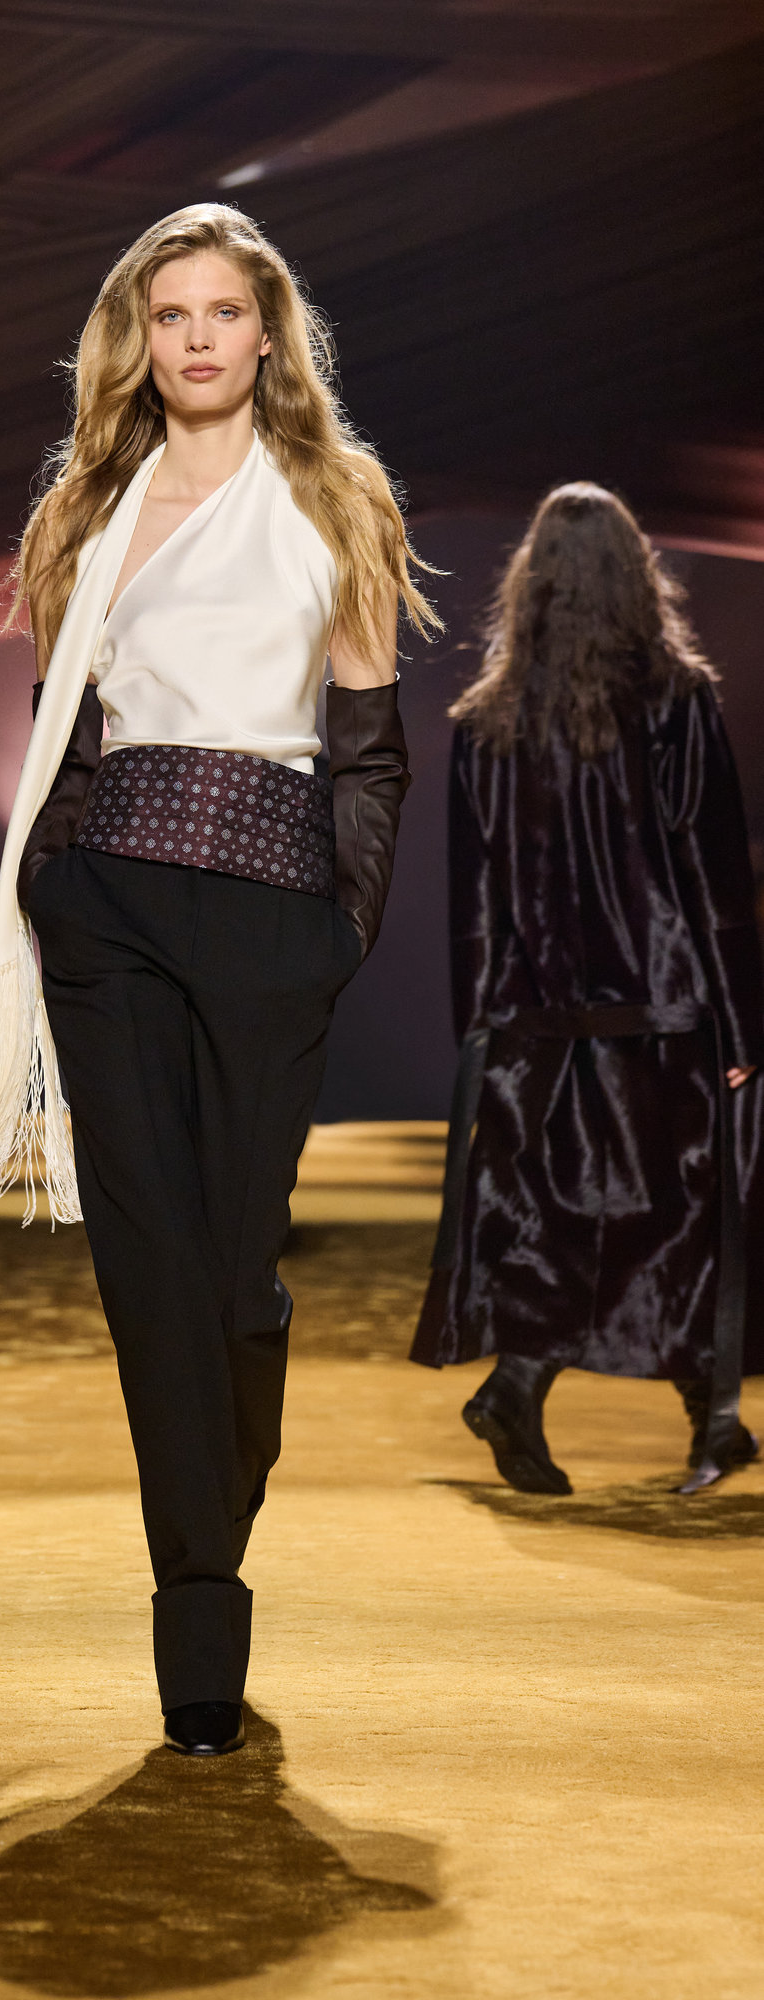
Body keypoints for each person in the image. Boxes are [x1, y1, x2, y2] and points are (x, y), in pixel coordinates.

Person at [0, 203, 439, 1752]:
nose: (197, 338)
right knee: (148, 1271)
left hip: (274, 911)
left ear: (268, 335)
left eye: (222, 312)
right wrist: (56, 895)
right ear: (136, 342)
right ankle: (199, 1625)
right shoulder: (88, 507)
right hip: (113, 911)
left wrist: (342, 933)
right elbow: (61, 726)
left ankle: (221, 1453)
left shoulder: (332, 498)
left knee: (227, 1271)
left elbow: (369, 747)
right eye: (169, 315)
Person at [412, 484, 763, 1495]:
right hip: (666, 1013)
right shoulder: (677, 705)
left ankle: (560, 1396)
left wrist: (481, 1028)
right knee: (686, 1213)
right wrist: (743, 1025)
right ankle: (689, 1413)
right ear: (634, 576)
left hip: (542, 1025)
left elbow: (476, 897)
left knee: (559, 1220)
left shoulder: (488, 725)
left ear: (531, 587)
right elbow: (711, 875)